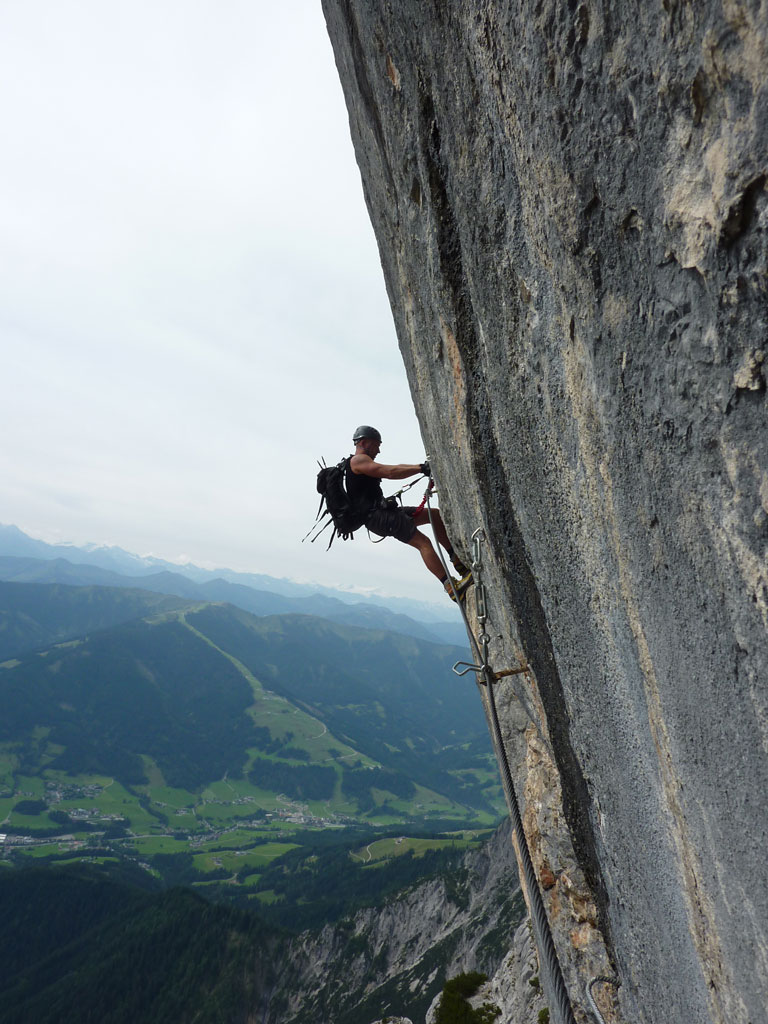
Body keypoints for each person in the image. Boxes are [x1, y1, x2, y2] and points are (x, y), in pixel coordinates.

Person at [346, 425, 473, 601]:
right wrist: (420, 469)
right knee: (423, 543)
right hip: (378, 517)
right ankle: (451, 587)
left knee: (434, 515)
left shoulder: (360, 461)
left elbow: (395, 467)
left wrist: (420, 467)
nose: (378, 451)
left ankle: (458, 562)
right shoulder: (358, 461)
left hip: (382, 513)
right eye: (376, 445)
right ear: (363, 442)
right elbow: (390, 472)